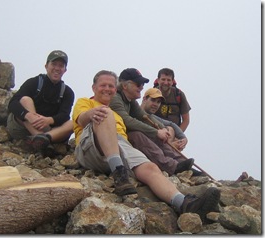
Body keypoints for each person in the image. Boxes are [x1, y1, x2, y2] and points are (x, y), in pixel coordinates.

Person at [72, 69, 220, 221]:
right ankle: (120, 175)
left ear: (115, 89)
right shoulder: (85, 102)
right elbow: (81, 119)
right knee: (105, 113)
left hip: (119, 146)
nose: (108, 89)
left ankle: (183, 203)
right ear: (93, 88)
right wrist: (91, 114)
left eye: (111, 86)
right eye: (103, 85)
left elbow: (144, 118)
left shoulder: (120, 110)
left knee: (151, 168)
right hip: (90, 146)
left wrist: (166, 132)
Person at [109, 68, 194, 176]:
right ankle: (172, 167)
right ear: (125, 85)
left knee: (156, 134)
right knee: (138, 135)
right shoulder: (115, 98)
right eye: (138, 84)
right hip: (114, 140)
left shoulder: (131, 101)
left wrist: (162, 129)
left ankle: (182, 163)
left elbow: (144, 116)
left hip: (123, 137)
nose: (141, 87)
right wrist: (156, 132)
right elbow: (128, 121)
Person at [6, 50, 75, 151]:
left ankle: (43, 139)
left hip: (51, 131)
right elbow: (13, 103)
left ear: (65, 70)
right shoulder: (33, 82)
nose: (57, 68)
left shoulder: (67, 92)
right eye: (54, 64)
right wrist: (29, 116)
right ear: (46, 66)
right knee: (25, 100)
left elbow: (64, 115)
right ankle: (39, 138)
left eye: (61, 66)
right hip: (25, 127)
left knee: (73, 122)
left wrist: (48, 120)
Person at [153, 68, 191, 132]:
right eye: (163, 79)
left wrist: (178, 135)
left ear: (172, 81)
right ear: (158, 80)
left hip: (173, 132)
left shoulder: (179, 95)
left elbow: (186, 119)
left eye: (168, 80)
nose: (165, 83)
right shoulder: (152, 94)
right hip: (155, 130)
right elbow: (144, 113)